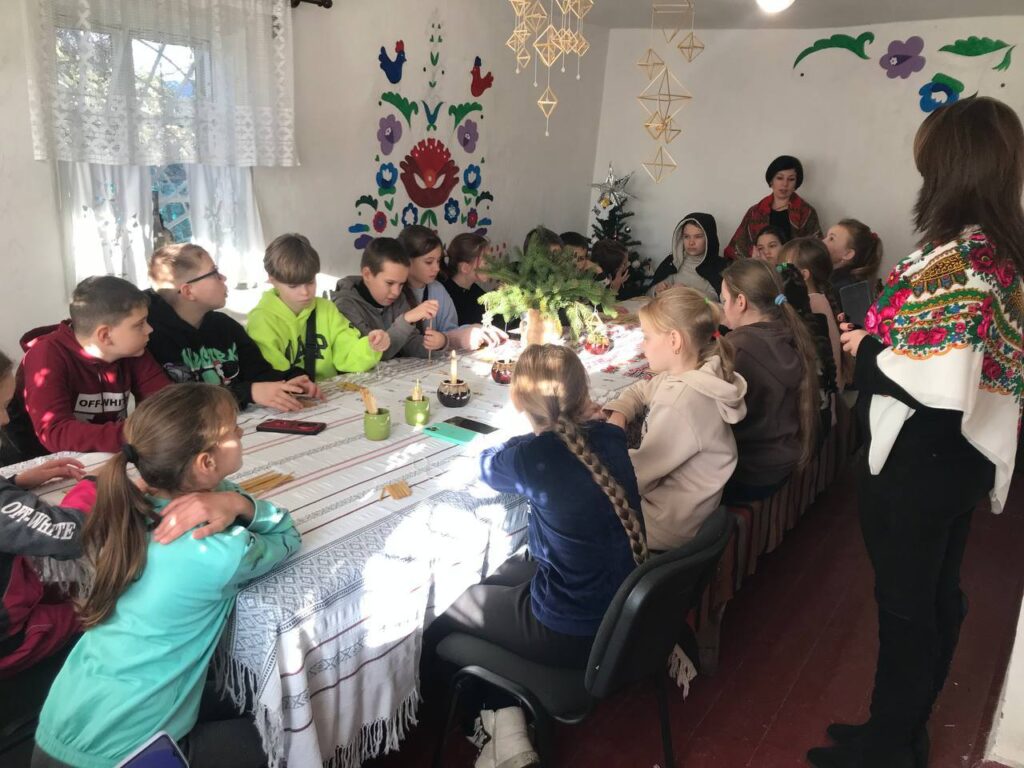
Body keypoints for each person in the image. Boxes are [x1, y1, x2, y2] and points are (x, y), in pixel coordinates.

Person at [807, 96, 1024, 768]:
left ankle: (890, 745)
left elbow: (937, 376)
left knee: (908, 604)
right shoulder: (992, 249)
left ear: (952, 169)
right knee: (931, 595)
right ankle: (901, 728)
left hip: (921, 459)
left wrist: (866, 350)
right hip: (955, 458)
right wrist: (883, 341)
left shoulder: (966, 258)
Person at [31, 383, 301, 768]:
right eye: (233, 428)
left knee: (243, 695)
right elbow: (288, 536)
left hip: (58, 729)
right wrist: (237, 503)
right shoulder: (217, 551)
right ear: (205, 463)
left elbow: (213, 487)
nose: (241, 431)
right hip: (128, 756)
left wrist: (218, 496)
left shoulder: (125, 505)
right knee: (292, 733)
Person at [422, 345, 645, 767]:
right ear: (584, 391)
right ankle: (504, 719)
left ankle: (494, 721)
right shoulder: (610, 437)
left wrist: (531, 434)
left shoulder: (533, 458)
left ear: (518, 400)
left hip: (568, 630)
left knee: (446, 607)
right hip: (620, 616)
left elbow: (486, 464)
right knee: (497, 578)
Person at [0, 351, 266, 679]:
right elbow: (73, 533)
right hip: (11, 637)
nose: (6, 420)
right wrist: (97, 487)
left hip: (19, 595)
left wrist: (13, 482)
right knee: (111, 603)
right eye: (1, 407)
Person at [604, 287, 747, 550]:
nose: (642, 345)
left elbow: (633, 477)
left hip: (667, 526)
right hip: (689, 511)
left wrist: (607, 442)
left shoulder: (679, 402)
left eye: (647, 337)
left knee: (581, 513)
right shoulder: (698, 370)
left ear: (674, 340)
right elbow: (642, 388)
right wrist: (621, 411)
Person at [3, 276, 169, 460]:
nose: (149, 329)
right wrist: (139, 435)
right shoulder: (46, 356)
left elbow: (169, 404)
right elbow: (56, 432)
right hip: (39, 464)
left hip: (104, 457)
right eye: (139, 324)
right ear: (105, 335)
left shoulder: (132, 349)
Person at [146, 243, 322, 412]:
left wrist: (291, 380)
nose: (224, 278)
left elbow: (259, 373)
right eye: (214, 273)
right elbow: (181, 405)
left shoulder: (225, 326)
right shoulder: (154, 338)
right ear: (188, 291)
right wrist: (249, 392)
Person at [719, 259, 820, 502]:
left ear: (741, 302)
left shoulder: (739, 347)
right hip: (781, 459)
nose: (722, 308)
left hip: (751, 473)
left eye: (723, 300)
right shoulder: (787, 331)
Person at [246, 233, 389, 381]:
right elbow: (271, 376)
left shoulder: (327, 309)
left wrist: (370, 346)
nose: (305, 292)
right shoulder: (262, 320)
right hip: (288, 392)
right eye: (293, 286)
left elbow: (347, 354)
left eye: (310, 282)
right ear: (272, 280)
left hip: (328, 391)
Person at [398, 225, 505, 351]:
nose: (436, 268)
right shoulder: (395, 293)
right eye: (429, 262)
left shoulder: (437, 290)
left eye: (438, 261)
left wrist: (467, 332)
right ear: (407, 261)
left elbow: (450, 332)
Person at [333, 237, 442, 359]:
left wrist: (438, 343)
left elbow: (409, 343)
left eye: (401, 284)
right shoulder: (345, 306)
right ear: (367, 274)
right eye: (390, 283)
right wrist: (406, 320)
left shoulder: (399, 300)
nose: (396, 292)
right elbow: (374, 353)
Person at [724, 155, 822, 260]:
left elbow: (817, 249)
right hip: (761, 267)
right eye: (780, 178)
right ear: (771, 181)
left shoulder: (806, 212)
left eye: (791, 179)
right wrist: (755, 261)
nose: (785, 184)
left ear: (796, 183)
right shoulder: (755, 212)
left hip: (793, 267)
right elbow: (737, 249)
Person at [781, 236, 844, 389]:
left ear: (803, 275)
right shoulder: (820, 298)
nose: (779, 273)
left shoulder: (812, 303)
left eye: (782, 268)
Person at [648, 213, 725, 299]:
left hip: (699, 307)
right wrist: (656, 291)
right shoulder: (673, 262)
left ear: (709, 239)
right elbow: (647, 295)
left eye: (698, 236)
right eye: (686, 236)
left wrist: (689, 293)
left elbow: (716, 300)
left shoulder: (719, 267)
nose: (691, 242)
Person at [440, 232, 490, 326]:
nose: (492, 266)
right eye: (486, 263)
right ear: (465, 268)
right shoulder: (446, 297)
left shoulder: (476, 291)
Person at [823, 218, 884, 292]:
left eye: (831, 239)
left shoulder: (841, 288)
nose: (822, 241)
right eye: (826, 236)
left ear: (848, 254)